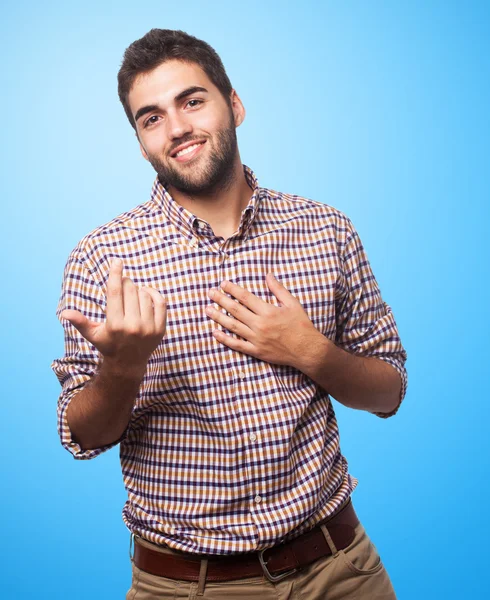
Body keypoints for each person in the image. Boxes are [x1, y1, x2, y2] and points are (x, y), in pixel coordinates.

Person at [51, 28, 408, 600]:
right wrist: (122, 367)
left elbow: (388, 393)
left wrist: (311, 351)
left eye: (192, 101)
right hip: (191, 586)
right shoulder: (103, 259)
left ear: (234, 104)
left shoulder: (326, 230)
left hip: (342, 569)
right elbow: (82, 436)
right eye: (151, 118)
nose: (177, 128)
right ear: (140, 141)